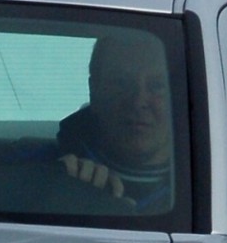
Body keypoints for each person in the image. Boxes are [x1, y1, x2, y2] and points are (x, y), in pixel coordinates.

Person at [52, 31, 175, 212]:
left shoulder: (218, 183)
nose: (138, 101)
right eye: (122, 83)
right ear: (94, 91)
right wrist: (53, 187)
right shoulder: (44, 174)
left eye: (157, 86)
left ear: (183, 95)